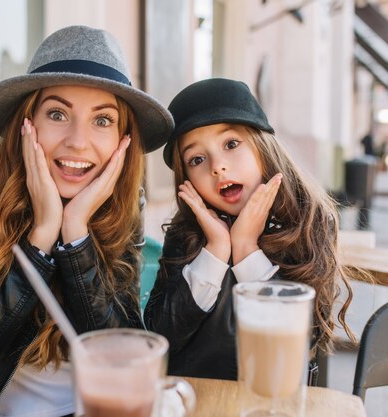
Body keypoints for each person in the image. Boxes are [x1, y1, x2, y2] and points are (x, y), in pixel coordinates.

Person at [0, 26, 173, 417]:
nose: (78, 141)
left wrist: (76, 236)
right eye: (58, 114)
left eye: (102, 120)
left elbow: (119, 349)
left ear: (123, 139)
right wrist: (41, 237)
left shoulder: (122, 204)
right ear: (28, 122)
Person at [144, 78, 356, 382]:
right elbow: (162, 334)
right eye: (197, 159)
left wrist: (245, 247)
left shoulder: (310, 221)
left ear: (262, 146)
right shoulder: (185, 232)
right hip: (198, 400)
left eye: (231, 144)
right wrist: (216, 249)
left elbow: (303, 338)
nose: (217, 166)